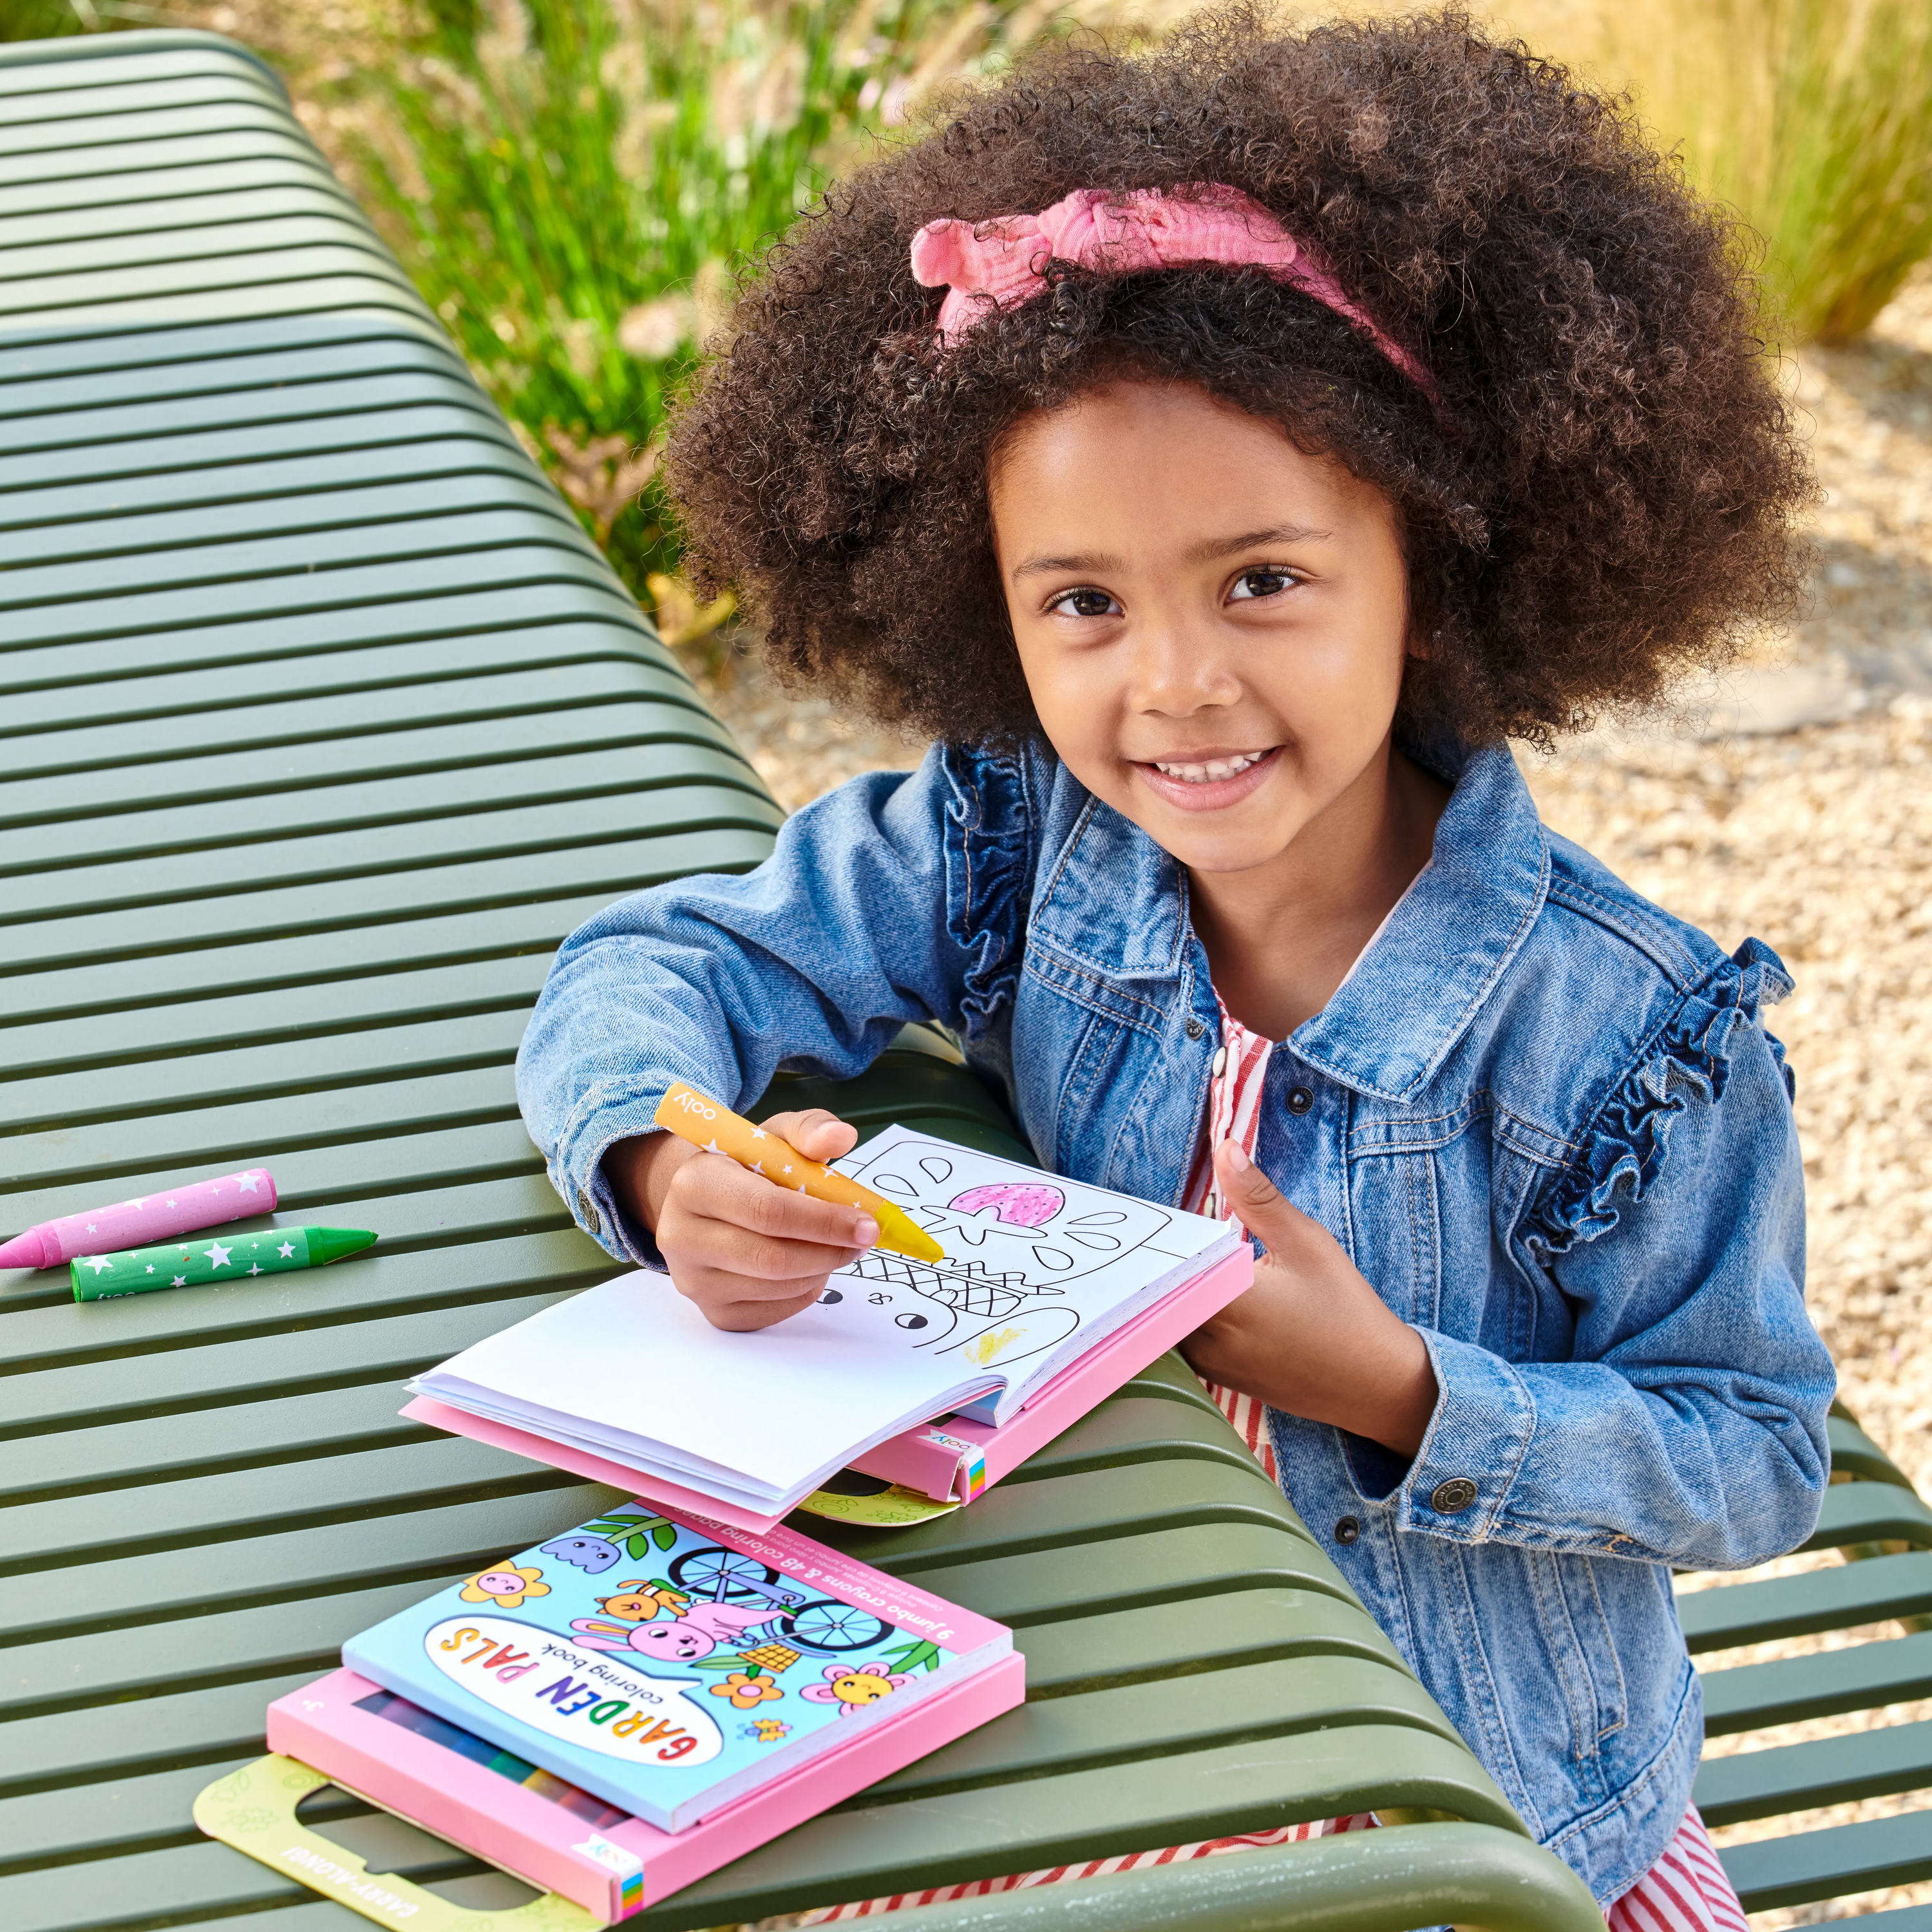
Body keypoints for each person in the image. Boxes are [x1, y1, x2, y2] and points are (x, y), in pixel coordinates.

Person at [517, 8, 1834, 1922]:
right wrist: (660, 1157)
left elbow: (1756, 1456)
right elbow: (657, 959)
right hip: (1092, 1747)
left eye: (1265, 580)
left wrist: (1397, 1386)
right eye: (1082, 604)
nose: (1176, 687)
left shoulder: (1631, 1045)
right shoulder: (1010, 848)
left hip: (1473, 1831)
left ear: (1435, 574)